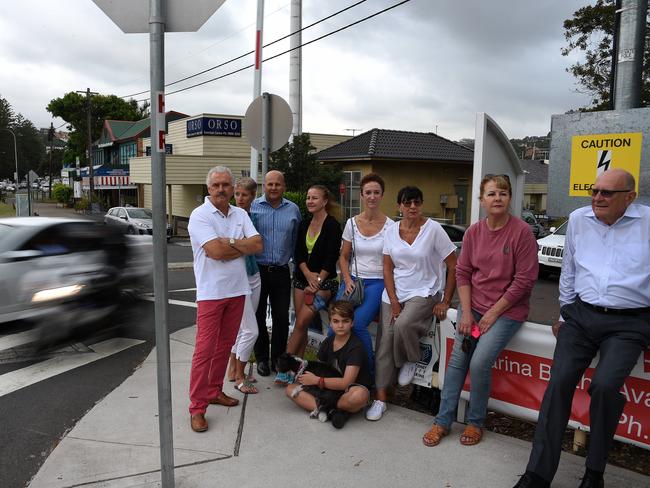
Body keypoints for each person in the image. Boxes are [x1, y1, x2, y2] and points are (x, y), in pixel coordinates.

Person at [514, 169, 650, 488]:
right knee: (558, 383)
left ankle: (594, 473)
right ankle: (537, 474)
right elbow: (570, 269)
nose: (597, 198)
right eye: (594, 190)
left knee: (604, 387)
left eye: (606, 193)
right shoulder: (578, 219)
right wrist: (565, 312)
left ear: (629, 198)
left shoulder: (647, 223)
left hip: (630, 322)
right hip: (581, 316)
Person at [422, 174, 538, 447]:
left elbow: (525, 280)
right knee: (456, 364)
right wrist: (465, 312)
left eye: (503, 193)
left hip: (507, 311)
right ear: (482, 199)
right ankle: (442, 421)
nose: (497, 197)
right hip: (473, 309)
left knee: (479, 362)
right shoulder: (474, 232)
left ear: (509, 198)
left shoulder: (521, 232)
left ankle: (475, 423)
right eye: (491, 193)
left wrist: (492, 313)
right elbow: (462, 272)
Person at [367, 186, 457, 421]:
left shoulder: (434, 230)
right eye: (407, 203)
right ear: (399, 206)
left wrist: (446, 299)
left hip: (425, 291)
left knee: (403, 325)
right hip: (395, 292)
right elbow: (387, 268)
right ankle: (380, 399)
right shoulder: (391, 231)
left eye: (417, 202)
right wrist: (394, 300)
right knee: (384, 344)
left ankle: (410, 358)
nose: (412, 207)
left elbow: (453, 265)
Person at [187, 166, 263, 433]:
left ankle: (214, 391)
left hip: (237, 290)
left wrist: (229, 242)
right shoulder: (200, 215)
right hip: (211, 293)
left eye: (226, 185)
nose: (221, 189)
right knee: (204, 351)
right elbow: (216, 252)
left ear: (232, 188)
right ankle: (197, 407)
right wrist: (237, 246)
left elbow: (257, 245)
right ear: (208, 188)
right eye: (216, 185)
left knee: (224, 347)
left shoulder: (240, 213)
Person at [280, 185, 342, 383]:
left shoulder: (332, 225)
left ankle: (284, 365)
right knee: (302, 325)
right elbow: (297, 252)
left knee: (300, 323)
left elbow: (332, 256)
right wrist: (307, 275)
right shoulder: (304, 223)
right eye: (308, 197)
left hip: (325, 285)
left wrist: (317, 281)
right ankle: (297, 369)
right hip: (301, 279)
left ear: (324, 201)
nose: (310, 201)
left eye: (314, 198)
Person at [335, 173, 393, 377]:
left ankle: (367, 375)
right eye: (368, 192)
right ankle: (338, 370)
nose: (372, 196)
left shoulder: (391, 226)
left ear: (382, 195)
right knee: (336, 326)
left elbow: (392, 262)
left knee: (357, 324)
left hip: (377, 282)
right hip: (353, 281)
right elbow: (343, 256)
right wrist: (348, 280)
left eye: (376, 192)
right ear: (361, 195)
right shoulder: (351, 223)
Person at [286, 300, 372, 429]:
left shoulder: (356, 347)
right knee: (291, 389)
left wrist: (317, 380)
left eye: (345, 321)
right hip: (329, 390)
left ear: (352, 323)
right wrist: (308, 378)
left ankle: (327, 409)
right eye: (336, 321)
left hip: (349, 390)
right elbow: (319, 369)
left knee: (359, 396)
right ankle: (334, 411)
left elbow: (346, 383)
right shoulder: (328, 342)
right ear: (330, 323)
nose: (341, 325)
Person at [251, 170, 301, 377]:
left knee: (281, 318)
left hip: (281, 271)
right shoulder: (253, 208)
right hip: (258, 270)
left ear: (284, 187)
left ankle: (278, 360)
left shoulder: (293, 210)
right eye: (269, 184)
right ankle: (261, 358)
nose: (273, 188)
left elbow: (296, 240)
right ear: (264, 186)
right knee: (258, 316)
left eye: (277, 184)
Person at [226, 177, 262, 394]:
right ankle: (239, 374)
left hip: (254, 275)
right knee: (250, 330)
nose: (240, 198)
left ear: (252, 197)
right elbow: (233, 245)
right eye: (237, 194)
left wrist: (242, 244)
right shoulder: (230, 216)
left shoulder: (254, 217)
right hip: (238, 278)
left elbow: (257, 245)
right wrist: (242, 244)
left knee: (244, 328)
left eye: (244, 195)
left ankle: (233, 368)